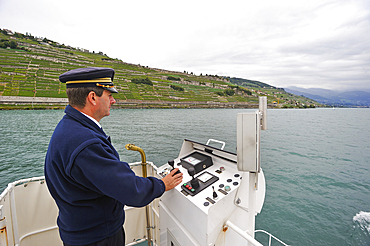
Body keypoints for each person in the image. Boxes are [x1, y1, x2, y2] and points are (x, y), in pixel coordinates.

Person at [44, 67, 183, 246]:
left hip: (80, 229)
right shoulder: (86, 142)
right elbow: (131, 191)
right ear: (92, 97)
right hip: (98, 237)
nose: (113, 100)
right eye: (109, 95)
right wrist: (163, 184)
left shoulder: (69, 128)